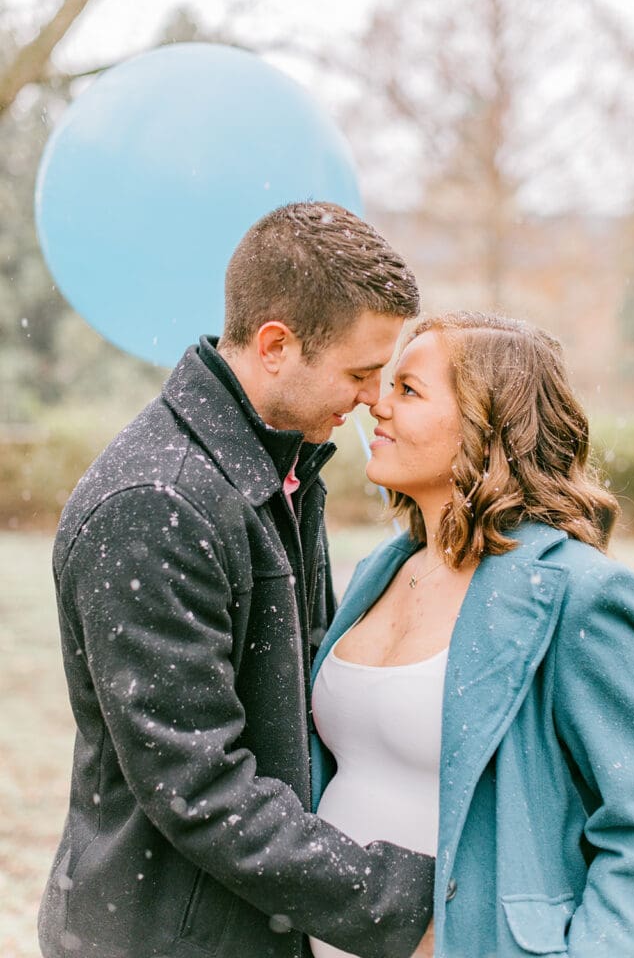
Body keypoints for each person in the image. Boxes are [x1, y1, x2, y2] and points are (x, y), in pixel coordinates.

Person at [38, 202, 437, 958]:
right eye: (359, 372)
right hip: (159, 938)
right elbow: (199, 787)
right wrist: (406, 905)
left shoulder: (273, 468)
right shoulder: (157, 505)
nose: (373, 399)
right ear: (276, 345)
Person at [310, 311, 634, 958]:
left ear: (489, 426)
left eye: (407, 390)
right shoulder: (382, 569)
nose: (377, 404)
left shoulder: (575, 593)